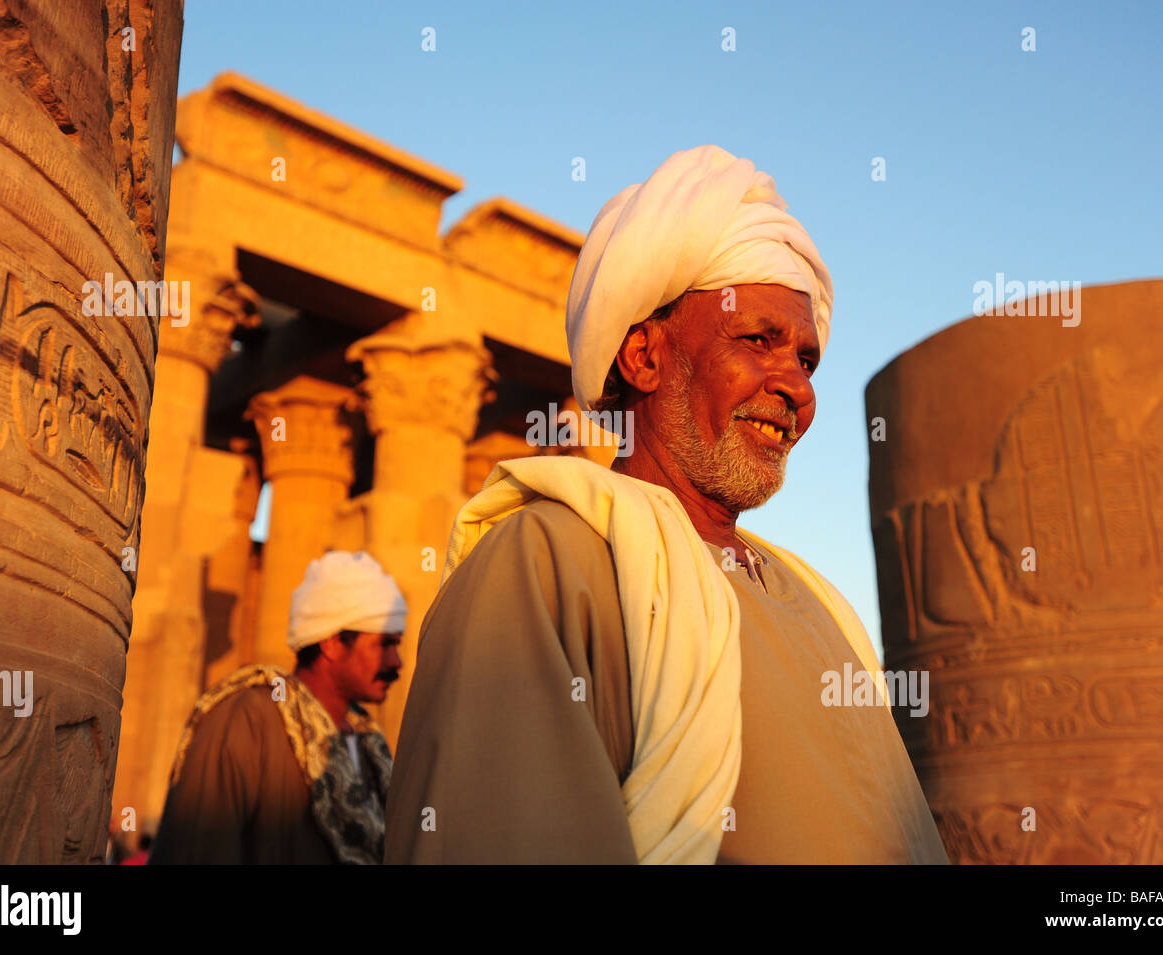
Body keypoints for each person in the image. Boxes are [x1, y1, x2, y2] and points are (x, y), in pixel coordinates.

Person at [385, 145, 949, 864]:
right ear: (644, 357)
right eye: (759, 341)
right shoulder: (547, 566)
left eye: (805, 360)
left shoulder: (816, 601)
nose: (798, 389)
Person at [150, 551, 405, 864]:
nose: (397, 662)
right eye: (385, 644)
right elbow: (196, 850)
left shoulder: (368, 742)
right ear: (333, 643)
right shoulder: (247, 720)